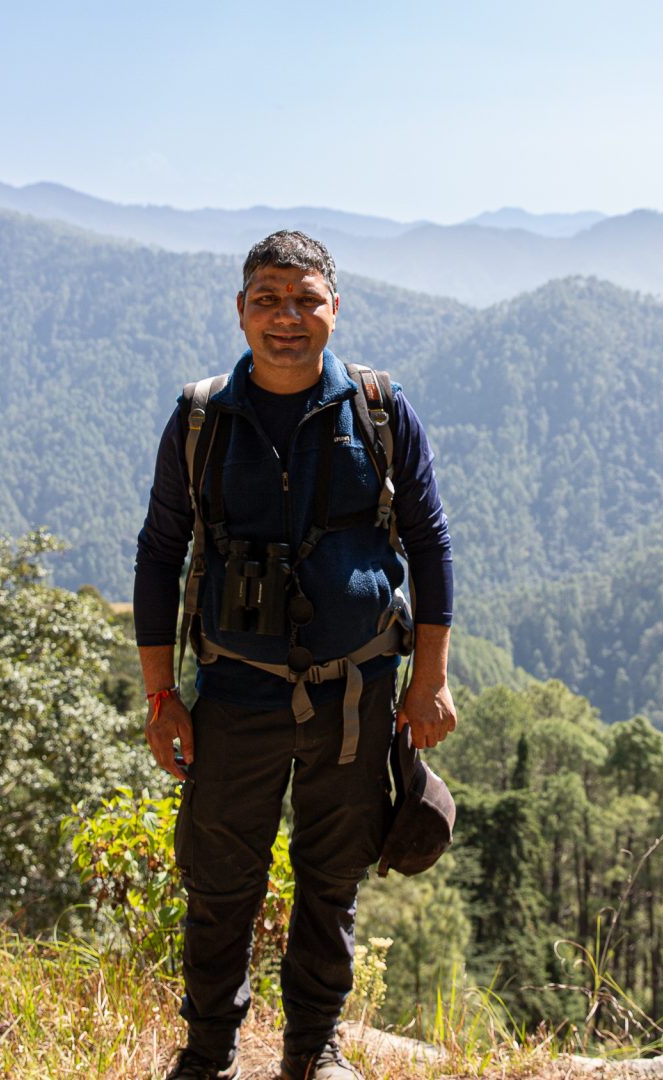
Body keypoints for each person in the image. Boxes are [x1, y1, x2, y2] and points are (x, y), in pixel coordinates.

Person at [134, 230, 457, 1080]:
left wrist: (430, 681)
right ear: (240, 311)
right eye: (268, 298)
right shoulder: (202, 419)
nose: (287, 317)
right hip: (235, 693)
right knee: (220, 883)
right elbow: (159, 552)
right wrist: (162, 696)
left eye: (305, 298)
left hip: (356, 693)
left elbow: (430, 546)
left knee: (332, 877)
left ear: (335, 309)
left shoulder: (380, 412)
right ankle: (207, 1053)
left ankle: (313, 1051)